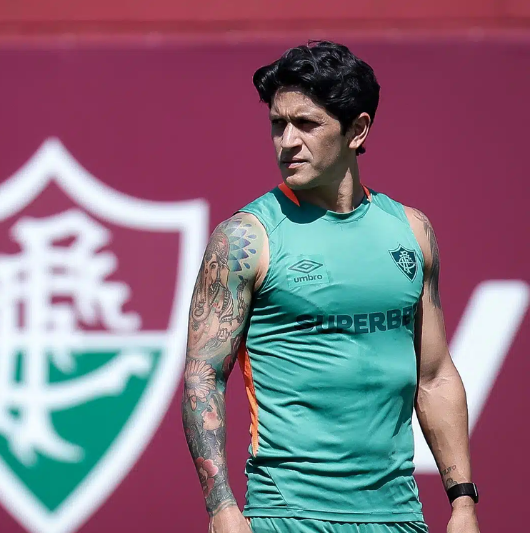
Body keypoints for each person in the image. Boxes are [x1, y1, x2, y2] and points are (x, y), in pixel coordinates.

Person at [181, 41, 480, 533]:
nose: (287, 141)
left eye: (307, 124)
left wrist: (462, 501)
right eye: (278, 124)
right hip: (286, 516)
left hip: (399, 517)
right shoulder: (245, 239)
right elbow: (203, 376)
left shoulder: (412, 231)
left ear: (357, 130)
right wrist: (221, 507)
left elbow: (434, 377)